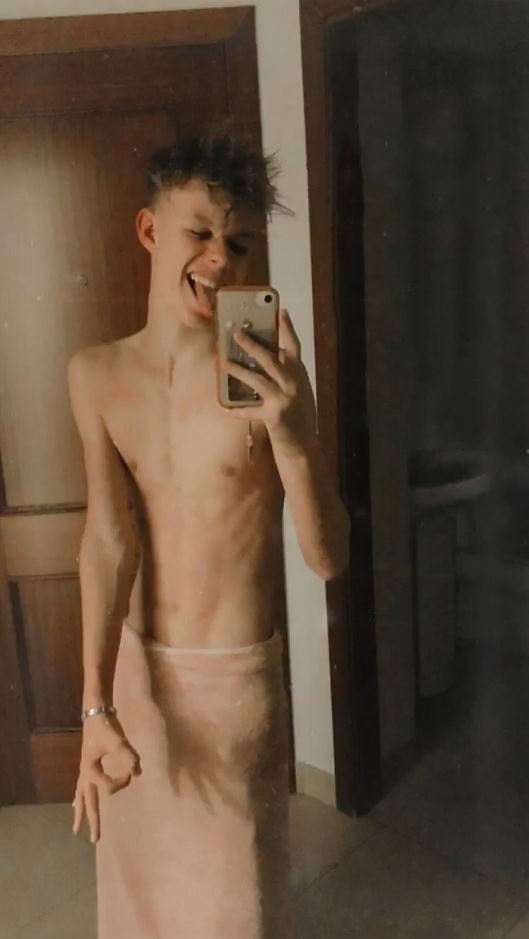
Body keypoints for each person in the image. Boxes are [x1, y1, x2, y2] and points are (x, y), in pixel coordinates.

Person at [68, 130, 350, 939]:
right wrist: (94, 705)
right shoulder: (95, 375)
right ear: (149, 230)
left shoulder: (267, 382)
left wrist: (294, 434)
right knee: (142, 913)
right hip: (136, 685)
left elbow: (328, 556)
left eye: (240, 242)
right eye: (199, 231)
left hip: (233, 692)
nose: (221, 259)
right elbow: (107, 540)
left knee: (236, 916)